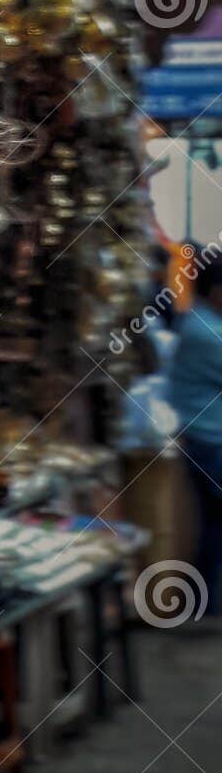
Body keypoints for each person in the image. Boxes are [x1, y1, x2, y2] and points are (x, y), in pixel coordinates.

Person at [166, 250, 222, 623]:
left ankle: (205, 604)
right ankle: (206, 605)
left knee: (213, 526)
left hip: (204, 437)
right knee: (213, 526)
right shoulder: (207, 331)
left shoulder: (202, 323)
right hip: (209, 440)